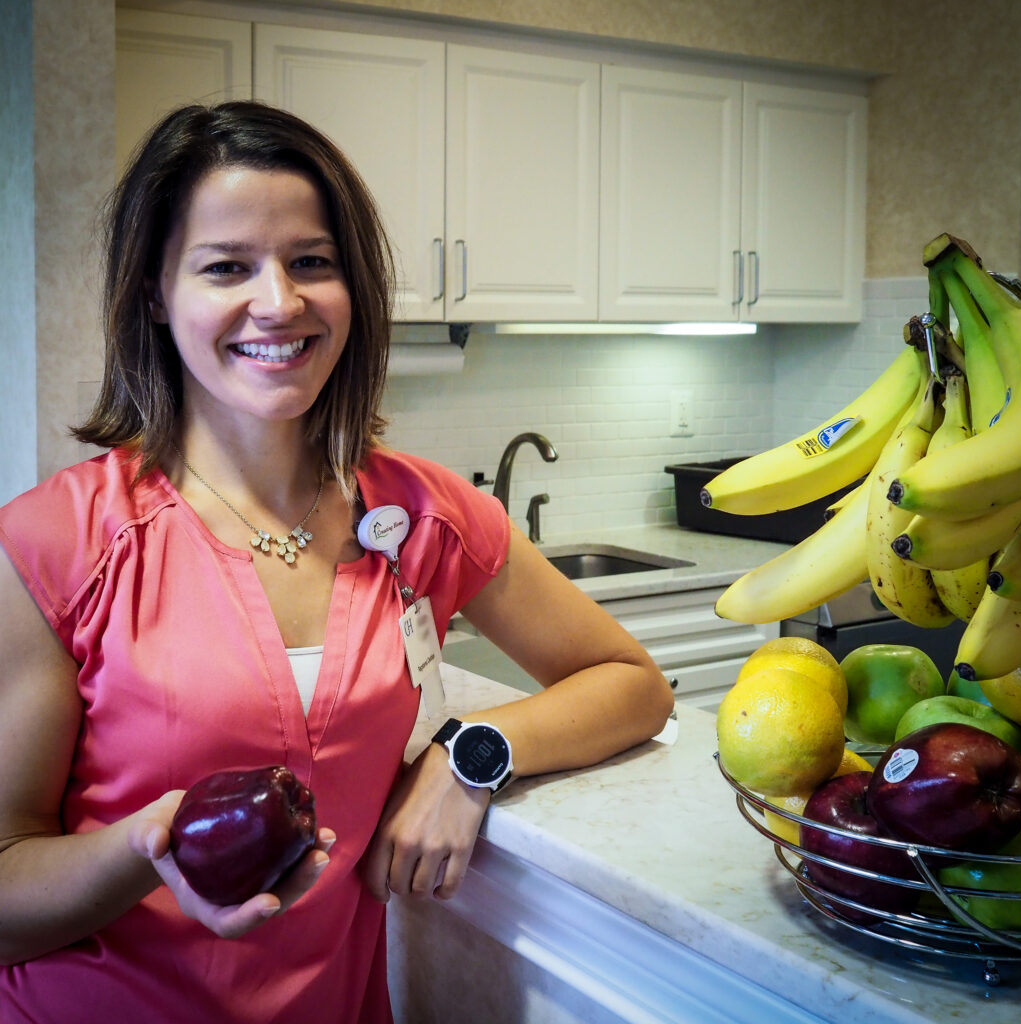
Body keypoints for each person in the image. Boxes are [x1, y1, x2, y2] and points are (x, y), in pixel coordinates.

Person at [0, 101, 673, 1023]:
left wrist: (470, 756)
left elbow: (632, 681)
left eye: (311, 262)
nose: (278, 302)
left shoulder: (423, 517)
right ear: (156, 295)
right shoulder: (57, 544)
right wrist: (144, 850)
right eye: (226, 266)